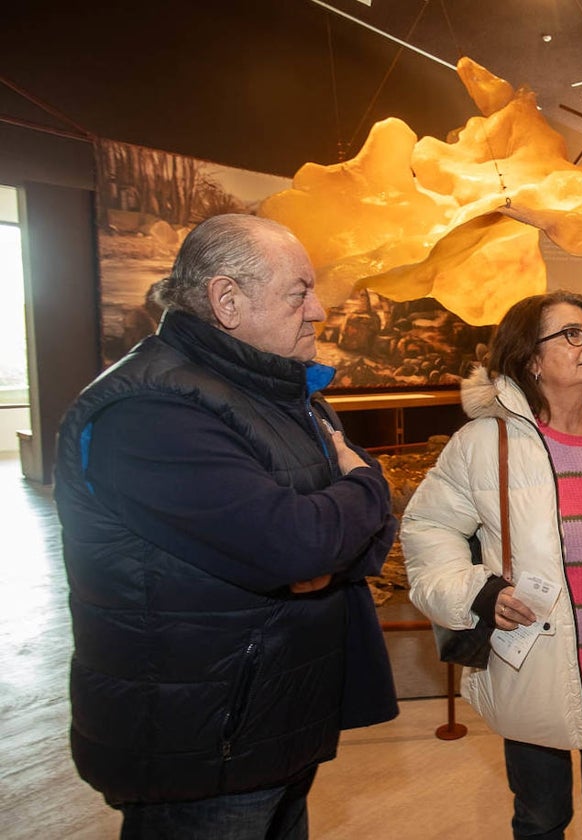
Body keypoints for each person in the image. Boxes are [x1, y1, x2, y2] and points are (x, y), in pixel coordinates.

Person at [54, 214, 399, 838]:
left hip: (267, 719)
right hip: (203, 743)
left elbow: (341, 536)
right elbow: (301, 544)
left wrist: (334, 533)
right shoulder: (150, 410)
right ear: (227, 300)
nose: (319, 310)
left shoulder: (271, 391)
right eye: (300, 292)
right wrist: (360, 496)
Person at [401, 290, 582, 840]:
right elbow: (427, 527)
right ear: (530, 358)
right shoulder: (485, 442)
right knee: (540, 818)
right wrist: (477, 592)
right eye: (571, 334)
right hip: (536, 663)